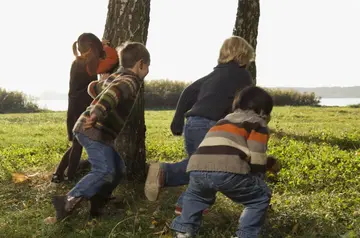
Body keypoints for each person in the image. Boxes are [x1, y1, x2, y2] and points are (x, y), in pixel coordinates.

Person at [145, 36, 255, 214]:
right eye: (248, 58)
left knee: (199, 167)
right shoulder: (243, 76)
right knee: (211, 166)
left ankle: (185, 204)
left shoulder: (212, 76)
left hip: (193, 124)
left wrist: (177, 120)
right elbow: (245, 106)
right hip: (209, 127)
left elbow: (188, 92)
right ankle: (168, 176)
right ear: (242, 56)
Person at [51, 41, 151, 220]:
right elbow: (112, 94)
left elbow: (95, 88)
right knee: (104, 170)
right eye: (148, 67)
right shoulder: (130, 81)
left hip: (98, 133)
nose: (147, 71)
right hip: (92, 130)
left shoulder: (116, 76)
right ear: (141, 64)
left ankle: (99, 199)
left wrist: (95, 87)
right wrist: (97, 112)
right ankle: (67, 201)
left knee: (118, 169)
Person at [171, 86, 274, 238]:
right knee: (260, 196)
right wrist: (258, 176)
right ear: (263, 111)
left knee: (196, 197)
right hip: (228, 170)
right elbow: (257, 156)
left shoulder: (223, 121)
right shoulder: (257, 123)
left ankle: (184, 231)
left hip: (197, 168)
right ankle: (245, 234)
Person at [51, 33, 118, 183]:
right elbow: (108, 63)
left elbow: (101, 61)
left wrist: (102, 46)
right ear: (91, 49)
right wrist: (106, 49)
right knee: (78, 144)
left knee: (77, 142)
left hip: (78, 105)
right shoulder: (84, 64)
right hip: (79, 106)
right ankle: (70, 178)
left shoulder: (82, 61)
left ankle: (58, 174)